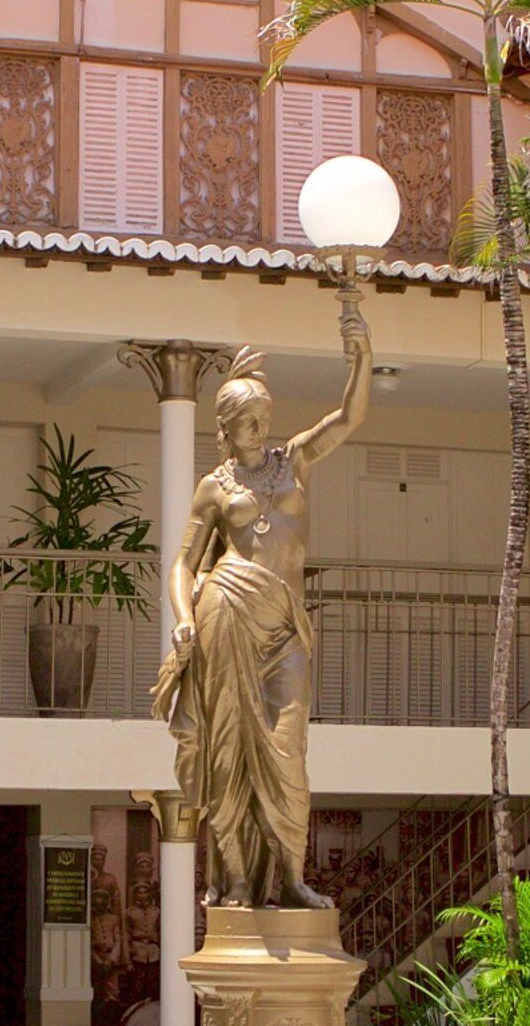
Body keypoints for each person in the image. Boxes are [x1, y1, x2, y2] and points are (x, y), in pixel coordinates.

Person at [150, 272, 376, 908]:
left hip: (282, 626)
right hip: (226, 616)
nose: (258, 428)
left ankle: (292, 876)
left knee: (288, 749)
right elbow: (183, 563)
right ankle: (239, 880)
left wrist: (361, 356)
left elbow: (348, 418)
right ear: (224, 426)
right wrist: (183, 617)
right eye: (246, 420)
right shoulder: (214, 487)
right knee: (228, 754)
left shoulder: (294, 461)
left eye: (263, 418)